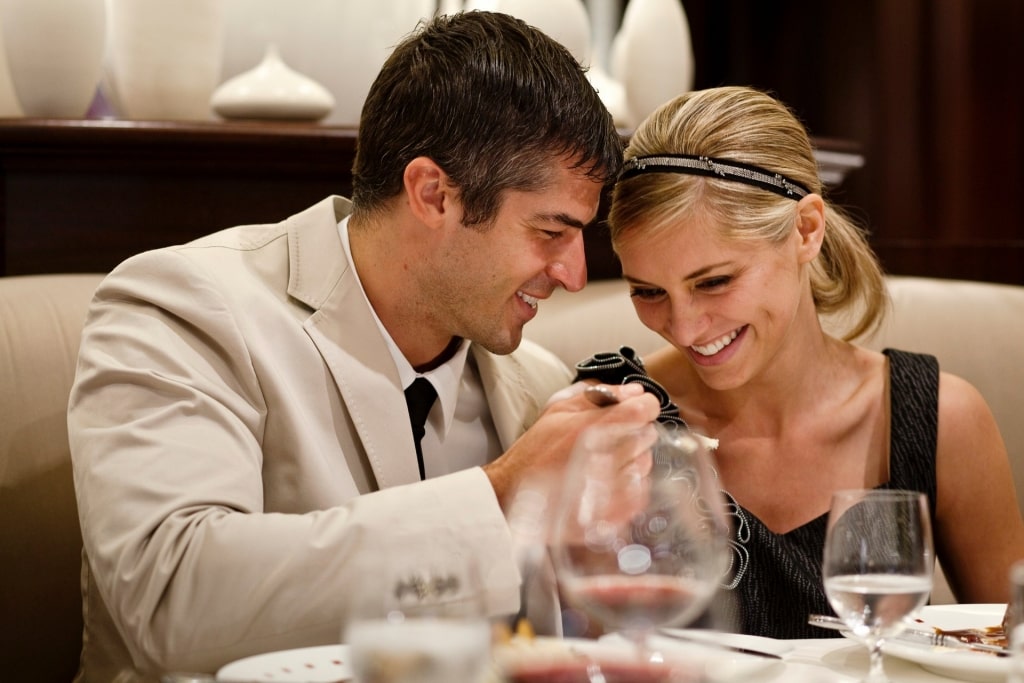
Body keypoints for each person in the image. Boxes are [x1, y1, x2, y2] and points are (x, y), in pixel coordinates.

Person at [67, 11, 660, 682]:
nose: (575, 274)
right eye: (551, 231)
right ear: (433, 193)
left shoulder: (534, 383)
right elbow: (170, 599)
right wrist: (498, 497)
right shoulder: (181, 307)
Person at [589, 85, 1024, 638]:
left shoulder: (937, 421)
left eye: (715, 281)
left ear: (806, 230)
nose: (683, 327)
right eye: (649, 292)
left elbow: (1015, 649)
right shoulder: (615, 415)